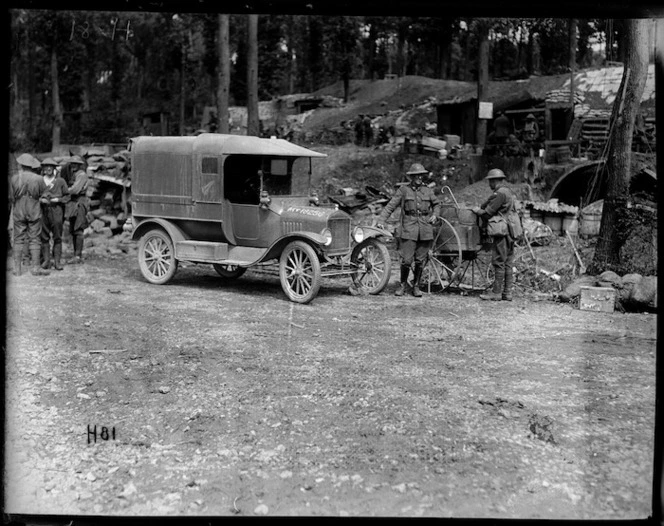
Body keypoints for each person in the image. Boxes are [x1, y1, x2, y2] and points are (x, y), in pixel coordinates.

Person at [376, 163, 440, 297]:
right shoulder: (404, 190)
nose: (419, 178)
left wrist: (435, 215)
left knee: (420, 260)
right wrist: (381, 220)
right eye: (416, 175)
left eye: (421, 175)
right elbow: (391, 206)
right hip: (408, 228)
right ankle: (402, 285)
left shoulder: (427, 190)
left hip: (425, 228)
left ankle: (416, 286)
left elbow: (437, 204)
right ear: (411, 176)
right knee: (406, 260)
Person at [472, 168, 517, 301]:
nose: (489, 184)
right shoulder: (508, 192)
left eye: (490, 181)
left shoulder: (499, 194)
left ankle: (496, 293)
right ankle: (507, 293)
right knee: (508, 261)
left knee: (498, 261)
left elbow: (488, 213)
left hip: (501, 231)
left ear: (494, 181)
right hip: (511, 230)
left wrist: (477, 210)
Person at [9, 153, 50, 276]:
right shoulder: (38, 179)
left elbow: (11, 197)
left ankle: (17, 269)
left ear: (21, 165)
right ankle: (36, 268)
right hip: (34, 210)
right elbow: (46, 196)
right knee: (35, 239)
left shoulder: (14, 178)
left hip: (19, 210)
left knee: (18, 239)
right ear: (32, 166)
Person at [39, 157, 69, 270]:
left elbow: (67, 196)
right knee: (44, 236)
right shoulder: (40, 181)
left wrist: (58, 200)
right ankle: (47, 261)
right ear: (43, 168)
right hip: (43, 211)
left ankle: (57, 262)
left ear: (54, 168)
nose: (48, 168)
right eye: (46, 166)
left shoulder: (60, 181)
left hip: (57, 210)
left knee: (57, 236)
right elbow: (34, 196)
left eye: (50, 166)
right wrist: (41, 200)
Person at [64, 156, 90, 264]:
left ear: (79, 165)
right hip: (73, 203)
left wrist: (63, 190)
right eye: (72, 164)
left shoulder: (82, 175)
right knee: (73, 229)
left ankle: (78, 256)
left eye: (75, 164)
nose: (73, 165)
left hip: (80, 203)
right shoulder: (74, 175)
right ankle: (75, 254)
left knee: (78, 229)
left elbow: (75, 190)